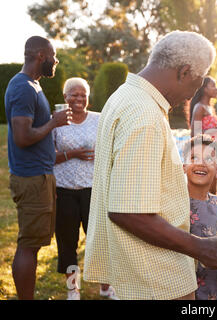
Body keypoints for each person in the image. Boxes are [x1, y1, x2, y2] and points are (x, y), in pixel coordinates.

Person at [83, 30, 217, 300]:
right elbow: (128, 212)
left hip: (142, 271)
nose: (189, 97)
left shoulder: (124, 96)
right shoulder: (144, 115)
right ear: (184, 71)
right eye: (195, 86)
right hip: (155, 277)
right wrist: (202, 248)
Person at [4, 36, 71, 300]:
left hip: (40, 177)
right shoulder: (23, 87)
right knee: (29, 246)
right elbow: (23, 137)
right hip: (31, 178)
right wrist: (53, 123)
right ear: (41, 55)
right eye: (54, 56)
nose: (56, 61)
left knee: (34, 244)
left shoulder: (33, 85)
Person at [52, 77, 117, 300]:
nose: (79, 99)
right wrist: (72, 154)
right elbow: (46, 157)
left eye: (83, 95)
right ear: (65, 97)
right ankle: (73, 289)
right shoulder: (56, 122)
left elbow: (113, 147)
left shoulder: (100, 119)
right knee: (67, 243)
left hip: (93, 190)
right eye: (74, 95)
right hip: (64, 190)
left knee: (100, 239)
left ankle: (106, 287)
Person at [183, 134, 217, 300]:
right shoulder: (177, 204)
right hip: (186, 291)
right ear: (184, 166)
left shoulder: (216, 203)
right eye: (194, 157)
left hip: (215, 290)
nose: (201, 163)